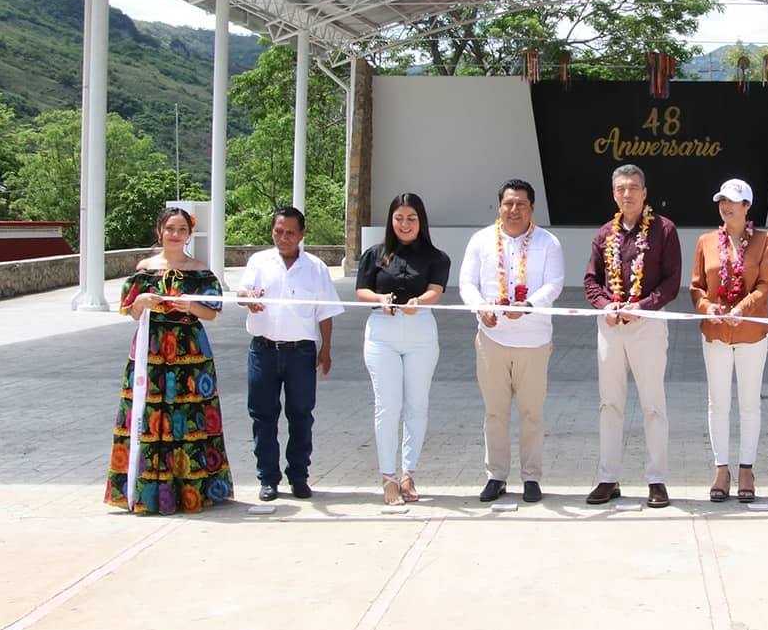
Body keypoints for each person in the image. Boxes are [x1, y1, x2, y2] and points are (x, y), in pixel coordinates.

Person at [106, 206, 233, 514]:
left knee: (189, 413)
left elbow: (213, 312)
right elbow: (131, 312)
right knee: (149, 412)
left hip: (189, 350)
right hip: (151, 348)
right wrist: (141, 301)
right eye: (170, 229)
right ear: (159, 232)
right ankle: (147, 490)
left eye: (181, 230)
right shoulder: (145, 268)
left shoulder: (200, 270)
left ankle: (191, 489)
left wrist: (190, 305)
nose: (175, 235)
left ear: (189, 234)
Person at [582, 163, 683, 508]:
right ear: (614, 194)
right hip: (610, 327)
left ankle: (657, 480)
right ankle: (608, 478)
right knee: (610, 403)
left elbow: (671, 281)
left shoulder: (664, 230)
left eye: (634, 188)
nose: (628, 194)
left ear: (645, 192)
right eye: (621, 188)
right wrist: (604, 304)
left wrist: (642, 305)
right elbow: (591, 280)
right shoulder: (603, 234)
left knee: (653, 403)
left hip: (648, 324)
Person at [458, 178, 564, 504]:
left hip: (533, 341)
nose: (514, 210)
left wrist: (529, 306)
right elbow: (467, 283)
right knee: (495, 412)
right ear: (499, 206)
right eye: (508, 203)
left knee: (531, 413)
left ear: (532, 208)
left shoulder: (548, 243)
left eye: (521, 204)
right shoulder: (481, 240)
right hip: (492, 339)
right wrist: (481, 310)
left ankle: (532, 477)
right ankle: (496, 476)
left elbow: (554, 284)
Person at [237, 206, 344, 502]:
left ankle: (299, 476)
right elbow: (241, 293)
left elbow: (325, 312)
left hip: (301, 353)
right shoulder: (259, 261)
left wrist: (326, 350)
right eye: (278, 231)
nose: (283, 238)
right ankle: (268, 478)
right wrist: (249, 300)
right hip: (263, 350)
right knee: (263, 415)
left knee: (300, 415)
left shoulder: (316, 267)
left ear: (302, 234)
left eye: (290, 233)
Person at [355, 193, 450, 505]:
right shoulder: (374, 254)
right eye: (399, 218)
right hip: (382, 334)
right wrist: (380, 299)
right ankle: (388, 478)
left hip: (420, 332)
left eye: (411, 218)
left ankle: (408, 473)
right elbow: (362, 290)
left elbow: (435, 290)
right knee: (387, 406)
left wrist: (418, 303)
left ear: (420, 221)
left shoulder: (436, 257)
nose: (405, 224)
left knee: (417, 406)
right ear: (390, 220)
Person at [690, 178, 768, 504]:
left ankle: (746, 469)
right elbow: (697, 286)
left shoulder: (766, 242)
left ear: (747, 206)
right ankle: (720, 469)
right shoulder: (706, 241)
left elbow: (765, 285)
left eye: (733, 201)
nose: (726, 206)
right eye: (722, 201)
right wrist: (707, 306)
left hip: (751, 332)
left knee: (749, 402)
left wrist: (742, 309)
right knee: (717, 402)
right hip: (715, 333)